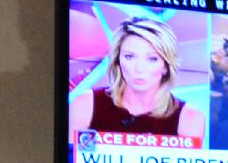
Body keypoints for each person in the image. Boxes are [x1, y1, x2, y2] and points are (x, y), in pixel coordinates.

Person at [68, 13, 201, 142]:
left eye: (152, 59)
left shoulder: (189, 118)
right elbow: (70, 161)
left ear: (166, 66)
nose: (139, 69)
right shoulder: (85, 104)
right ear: (118, 61)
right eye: (129, 57)